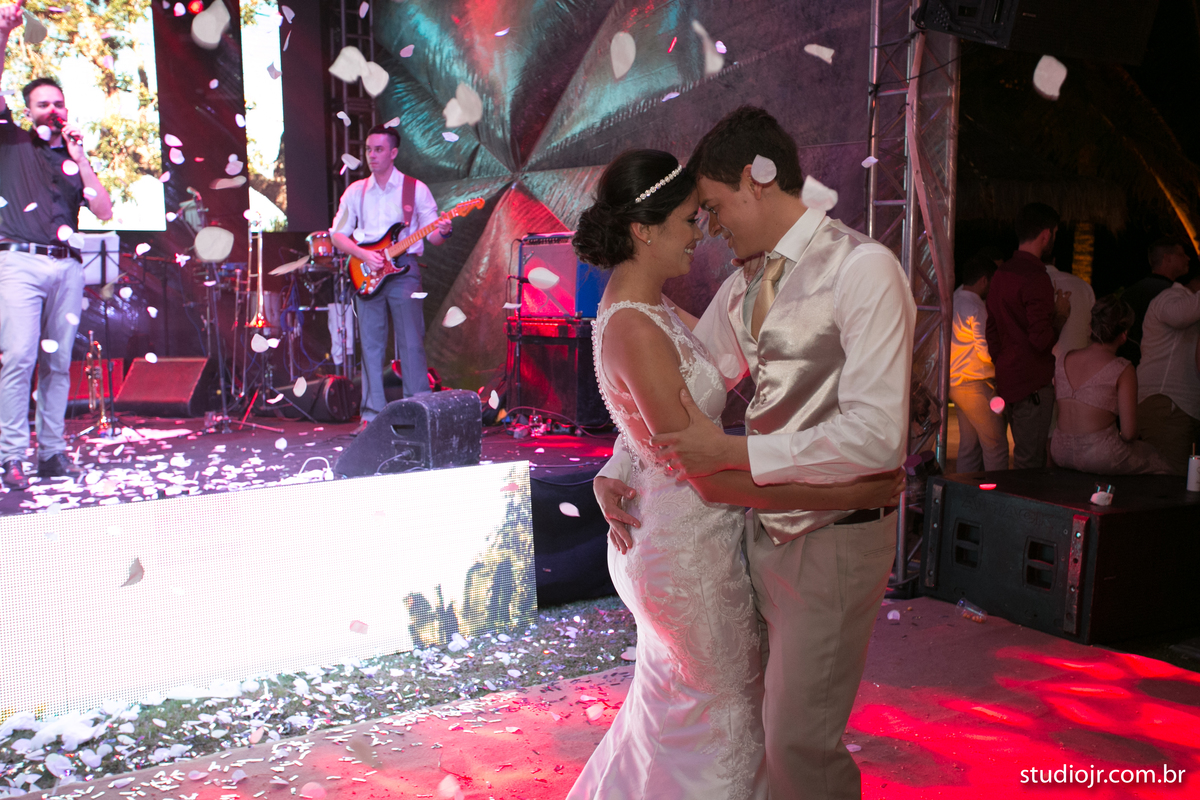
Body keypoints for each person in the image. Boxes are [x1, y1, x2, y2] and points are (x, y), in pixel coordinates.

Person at [596, 107, 916, 799]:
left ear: (756, 179)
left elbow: (877, 437)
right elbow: (686, 385)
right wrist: (618, 465)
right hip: (751, 531)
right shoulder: (746, 284)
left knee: (799, 743)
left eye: (712, 207)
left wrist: (736, 455)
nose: (709, 227)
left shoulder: (863, 269)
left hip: (833, 534)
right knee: (764, 730)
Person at [1, 4, 114, 491]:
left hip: (67, 269)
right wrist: (4, 32)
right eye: (43, 104)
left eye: (59, 103)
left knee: (57, 364)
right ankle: (10, 456)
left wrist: (81, 158)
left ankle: (51, 453)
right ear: (28, 111)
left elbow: (104, 210)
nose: (53, 110)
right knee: (19, 358)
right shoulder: (10, 141)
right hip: (19, 263)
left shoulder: (71, 159)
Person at [330, 124, 451, 428]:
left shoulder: (415, 189)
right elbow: (337, 235)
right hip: (366, 271)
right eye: (368, 149)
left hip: (404, 269)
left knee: (411, 342)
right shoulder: (355, 191)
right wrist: (362, 254)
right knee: (371, 345)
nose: (371, 155)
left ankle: (419, 413)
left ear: (394, 152)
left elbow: (434, 237)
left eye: (379, 149)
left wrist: (444, 230)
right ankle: (371, 417)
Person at [985, 203, 1071, 469]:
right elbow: (1041, 339)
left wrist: (1004, 362)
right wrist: (1061, 315)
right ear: (1046, 234)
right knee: (1030, 465)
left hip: (1009, 380)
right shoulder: (1035, 276)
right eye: (1055, 233)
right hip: (1032, 384)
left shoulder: (1001, 273)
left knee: (1022, 459)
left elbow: (992, 330)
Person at [1050, 296, 1171, 475]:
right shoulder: (1122, 368)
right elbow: (1129, 433)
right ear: (1124, 335)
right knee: (1157, 460)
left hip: (1059, 450)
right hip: (1099, 454)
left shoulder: (1063, 359)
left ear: (1090, 327)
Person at [1135, 271, 1200, 474]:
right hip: (1165, 403)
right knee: (1168, 476)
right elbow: (1178, 316)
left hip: (1176, 406)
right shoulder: (1172, 296)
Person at [950, 252, 1008, 472]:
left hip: (956, 382)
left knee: (970, 446)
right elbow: (985, 350)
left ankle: (964, 489)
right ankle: (997, 491)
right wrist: (1001, 366)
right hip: (975, 383)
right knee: (996, 445)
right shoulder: (976, 307)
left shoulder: (954, 299)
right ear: (984, 280)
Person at [1117, 238, 1191, 364]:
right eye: (1181, 254)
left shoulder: (1131, 292)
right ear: (1167, 258)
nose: (1187, 258)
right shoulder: (1171, 294)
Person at [1046, 257, 1095, 364]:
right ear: (1054, 260)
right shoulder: (1083, 286)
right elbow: (1092, 332)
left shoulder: (1028, 285)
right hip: (1079, 365)